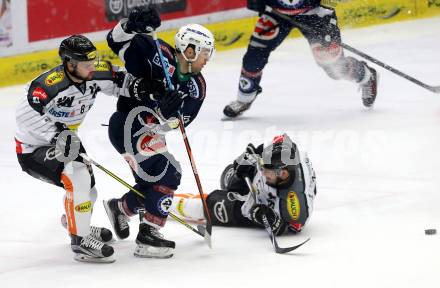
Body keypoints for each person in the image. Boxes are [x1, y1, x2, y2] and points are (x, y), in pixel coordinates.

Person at [15, 34, 151, 263]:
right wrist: (56, 135)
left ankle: (76, 223)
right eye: (85, 64)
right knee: (76, 175)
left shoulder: (93, 72)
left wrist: (143, 88)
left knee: (90, 190)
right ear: (69, 63)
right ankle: (80, 241)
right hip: (33, 148)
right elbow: (24, 115)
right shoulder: (49, 85)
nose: (92, 67)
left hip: (66, 140)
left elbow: (122, 82)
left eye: (92, 62)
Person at [103, 6, 215, 258]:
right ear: (189, 50)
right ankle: (149, 235)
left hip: (150, 132)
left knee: (152, 181)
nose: (207, 59)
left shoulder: (197, 87)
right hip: (127, 124)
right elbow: (115, 41)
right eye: (205, 53)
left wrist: (165, 115)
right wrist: (130, 25)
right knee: (168, 173)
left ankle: (121, 209)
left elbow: (178, 123)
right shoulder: (156, 50)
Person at [223, 0, 378, 118]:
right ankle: (245, 97)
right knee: (254, 56)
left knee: (334, 67)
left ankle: (366, 75)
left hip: (316, 15)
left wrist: (326, 9)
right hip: (277, 14)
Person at [171, 134, 317, 236]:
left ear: (283, 174)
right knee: (230, 177)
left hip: (263, 205)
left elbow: (292, 226)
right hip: (264, 188)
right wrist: (248, 157)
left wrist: (270, 220)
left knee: (210, 207)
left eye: (267, 171)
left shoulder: (295, 203)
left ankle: (165, 201)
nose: (263, 173)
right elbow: (270, 144)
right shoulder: (286, 151)